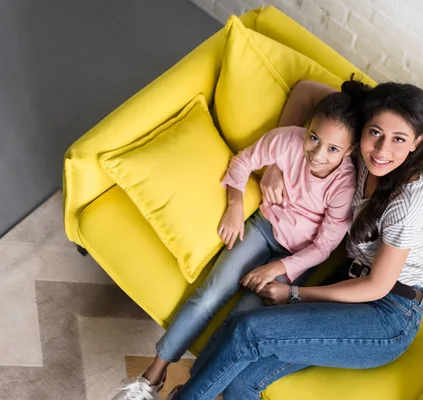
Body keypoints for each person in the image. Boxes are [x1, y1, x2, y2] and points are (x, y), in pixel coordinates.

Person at [167, 77, 423, 400]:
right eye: (375, 133)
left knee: (249, 329)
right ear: (362, 131)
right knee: (240, 381)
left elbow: (376, 286)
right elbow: (307, 91)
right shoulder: (360, 156)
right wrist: (276, 167)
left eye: (399, 139)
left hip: (388, 315)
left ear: (416, 142)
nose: (382, 150)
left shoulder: (406, 201)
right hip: (349, 285)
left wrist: (294, 294)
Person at [112, 90, 360, 400]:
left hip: (297, 258)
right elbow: (242, 163)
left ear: (349, 151)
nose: (318, 153)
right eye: (314, 138)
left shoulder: (345, 187)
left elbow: (323, 248)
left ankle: (192, 387)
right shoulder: (286, 140)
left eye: (333, 148)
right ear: (307, 127)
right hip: (264, 227)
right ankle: (151, 377)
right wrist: (235, 206)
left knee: (240, 322)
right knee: (210, 295)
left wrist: (277, 268)